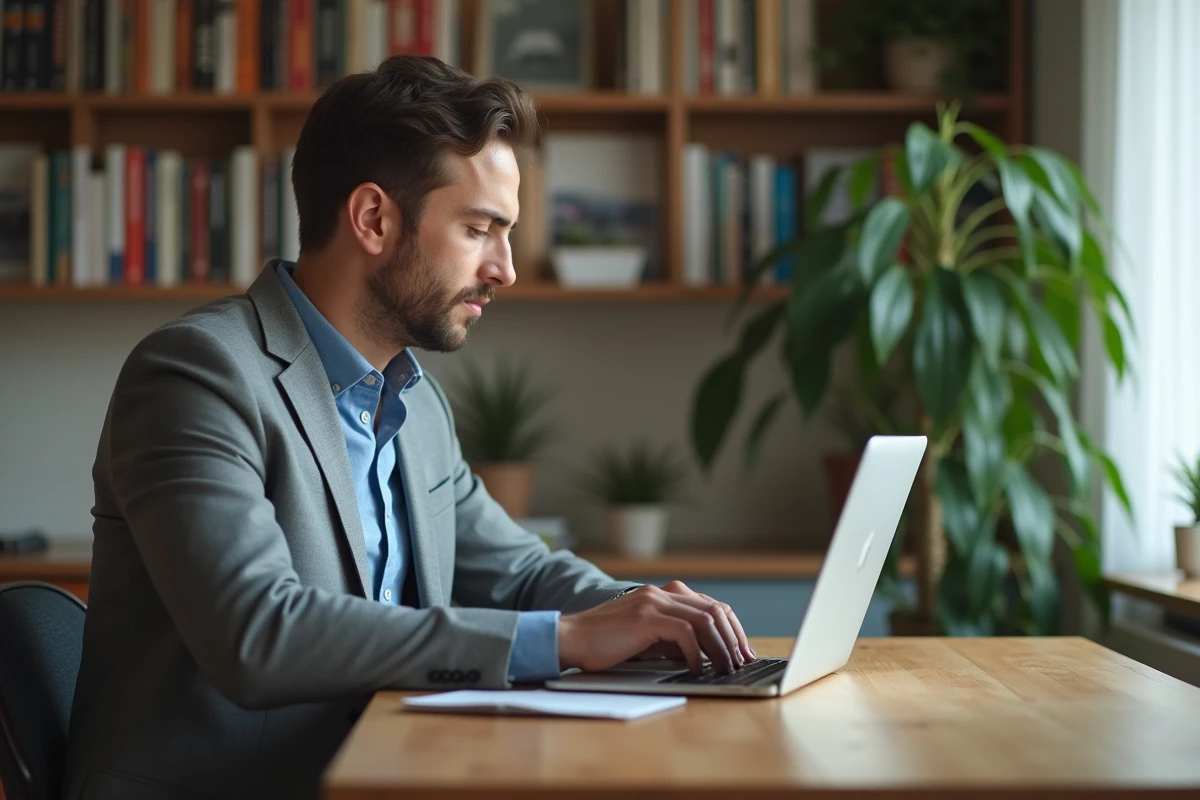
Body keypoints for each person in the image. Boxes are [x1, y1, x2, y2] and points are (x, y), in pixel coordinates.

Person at [62, 55, 755, 800]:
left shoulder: (414, 402)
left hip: (387, 770)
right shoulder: (197, 374)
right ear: (373, 219)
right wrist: (567, 638)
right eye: (480, 229)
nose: (506, 269)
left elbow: (520, 574)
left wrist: (653, 615)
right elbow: (257, 634)